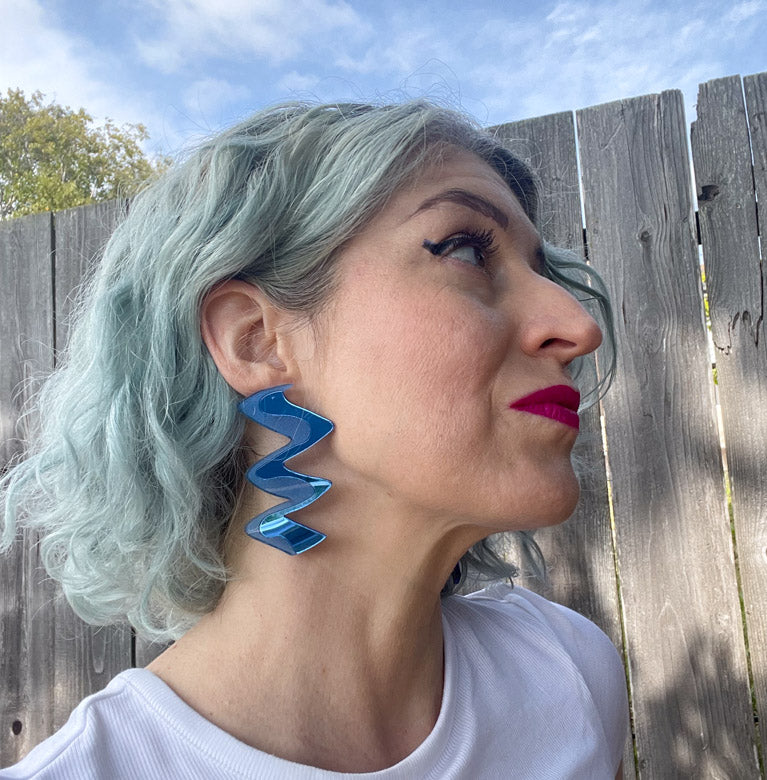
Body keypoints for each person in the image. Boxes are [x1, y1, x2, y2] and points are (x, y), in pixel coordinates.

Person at [1, 100, 628, 778]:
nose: (578, 325)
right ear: (257, 341)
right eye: (468, 250)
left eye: (543, 272)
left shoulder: (569, 672)